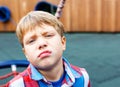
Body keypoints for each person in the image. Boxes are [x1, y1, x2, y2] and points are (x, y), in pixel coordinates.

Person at [7, 11, 90, 87]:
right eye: (31, 41)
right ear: (26, 54)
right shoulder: (17, 85)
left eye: (48, 35)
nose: (41, 43)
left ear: (63, 43)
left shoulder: (82, 77)